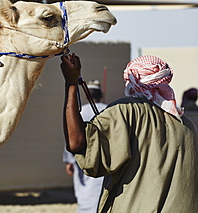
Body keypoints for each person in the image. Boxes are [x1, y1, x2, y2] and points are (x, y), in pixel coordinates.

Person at [60, 53, 198, 213]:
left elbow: (76, 143)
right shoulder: (187, 125)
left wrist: (71, 83)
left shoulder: (126, 110)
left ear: (132, 82)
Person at [62, 80, 107, 213]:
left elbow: (71, 136)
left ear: (88, 96)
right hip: (105, 158)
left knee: (85, 192)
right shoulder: (110, 109)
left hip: (83, 157)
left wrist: (69, 160)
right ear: (101, 94)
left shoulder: (79, 113)